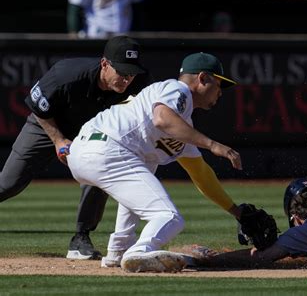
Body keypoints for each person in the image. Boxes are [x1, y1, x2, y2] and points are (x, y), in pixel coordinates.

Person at [67, 52, 249, 273]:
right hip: (107, 149)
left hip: (87, 150)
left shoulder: (181, 124)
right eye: (219, 83)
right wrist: (212, 144)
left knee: (140, 171)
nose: (220, 92)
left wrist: (236, 211)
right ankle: (138, 252)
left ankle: (119, 251)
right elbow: (162, 118)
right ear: (202, 78)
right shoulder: (177, 89)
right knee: (169, 217)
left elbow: (201, 173)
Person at [0, 35, 153, 260]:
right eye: (121, 72)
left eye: (131, 73)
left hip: (93, 131)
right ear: (104, 64)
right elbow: (38, 108)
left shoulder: (138, 83)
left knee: (101, 169)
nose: (126, 80)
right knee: (9, 183)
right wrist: (59, 140)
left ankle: (81, 238)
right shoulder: (67, 74)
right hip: (49, 124)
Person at [67, 0, 147, 39]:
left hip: (123, 33)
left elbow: (139, 0)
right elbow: (75, 6)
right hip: (95, 34)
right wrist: (73, 33)